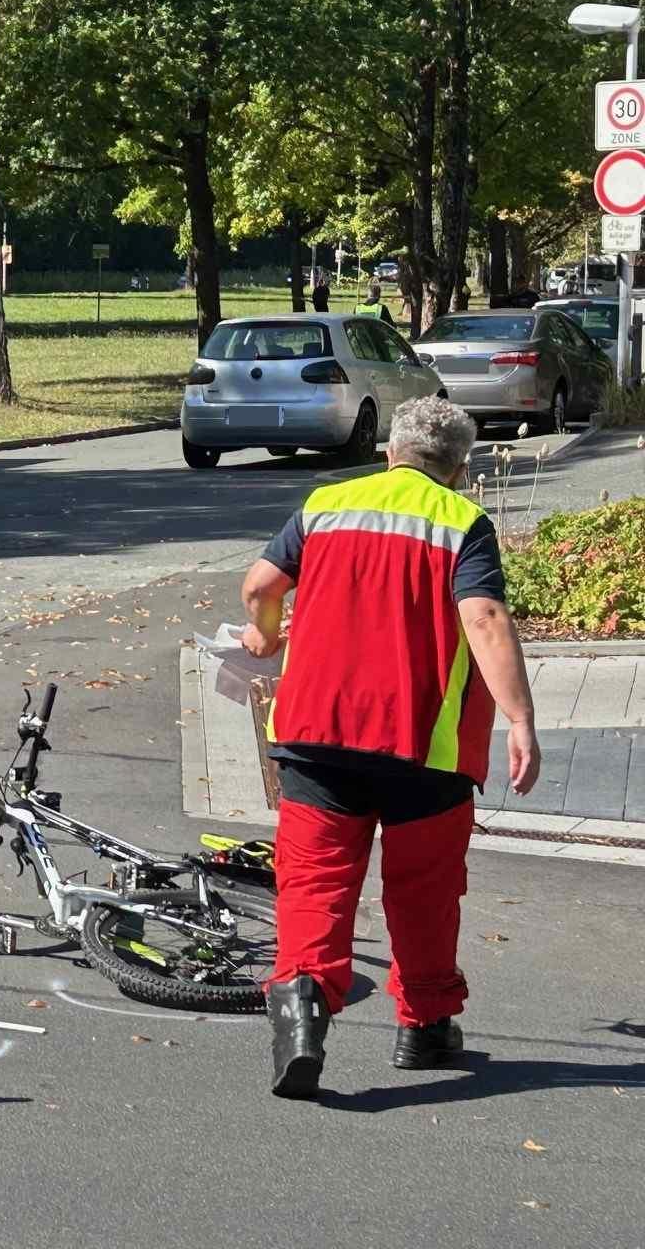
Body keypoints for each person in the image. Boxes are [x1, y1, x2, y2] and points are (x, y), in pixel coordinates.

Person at [238, 395, 540, 1100]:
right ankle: (426, 1026)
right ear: (461, 469)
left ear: (389, 454)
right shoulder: (463, 521)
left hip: (315, 738)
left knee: (315, 884)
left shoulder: (327, 504)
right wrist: (520, 719)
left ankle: (303, 1017)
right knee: (424, 894)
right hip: (422, 751)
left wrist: (266, 632)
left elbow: (259, 586)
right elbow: (486, 618)